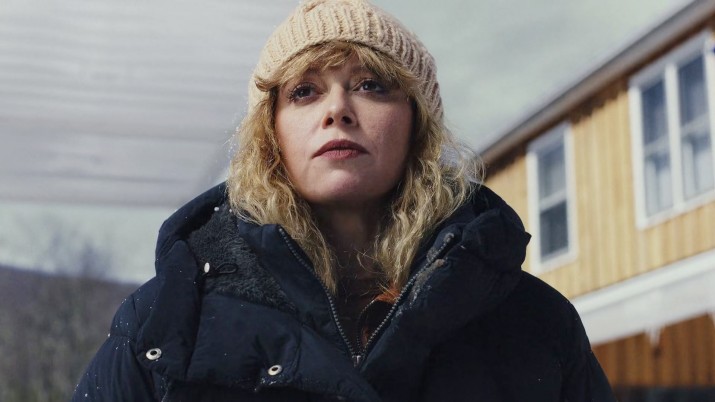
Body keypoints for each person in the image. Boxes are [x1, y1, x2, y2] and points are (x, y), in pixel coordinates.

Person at [72, 0, 615, 400]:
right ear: (270, 134)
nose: (337, 110)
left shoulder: (534, 323)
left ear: (417, 125)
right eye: (304, 91)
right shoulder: (166, 322)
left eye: (371, 84)